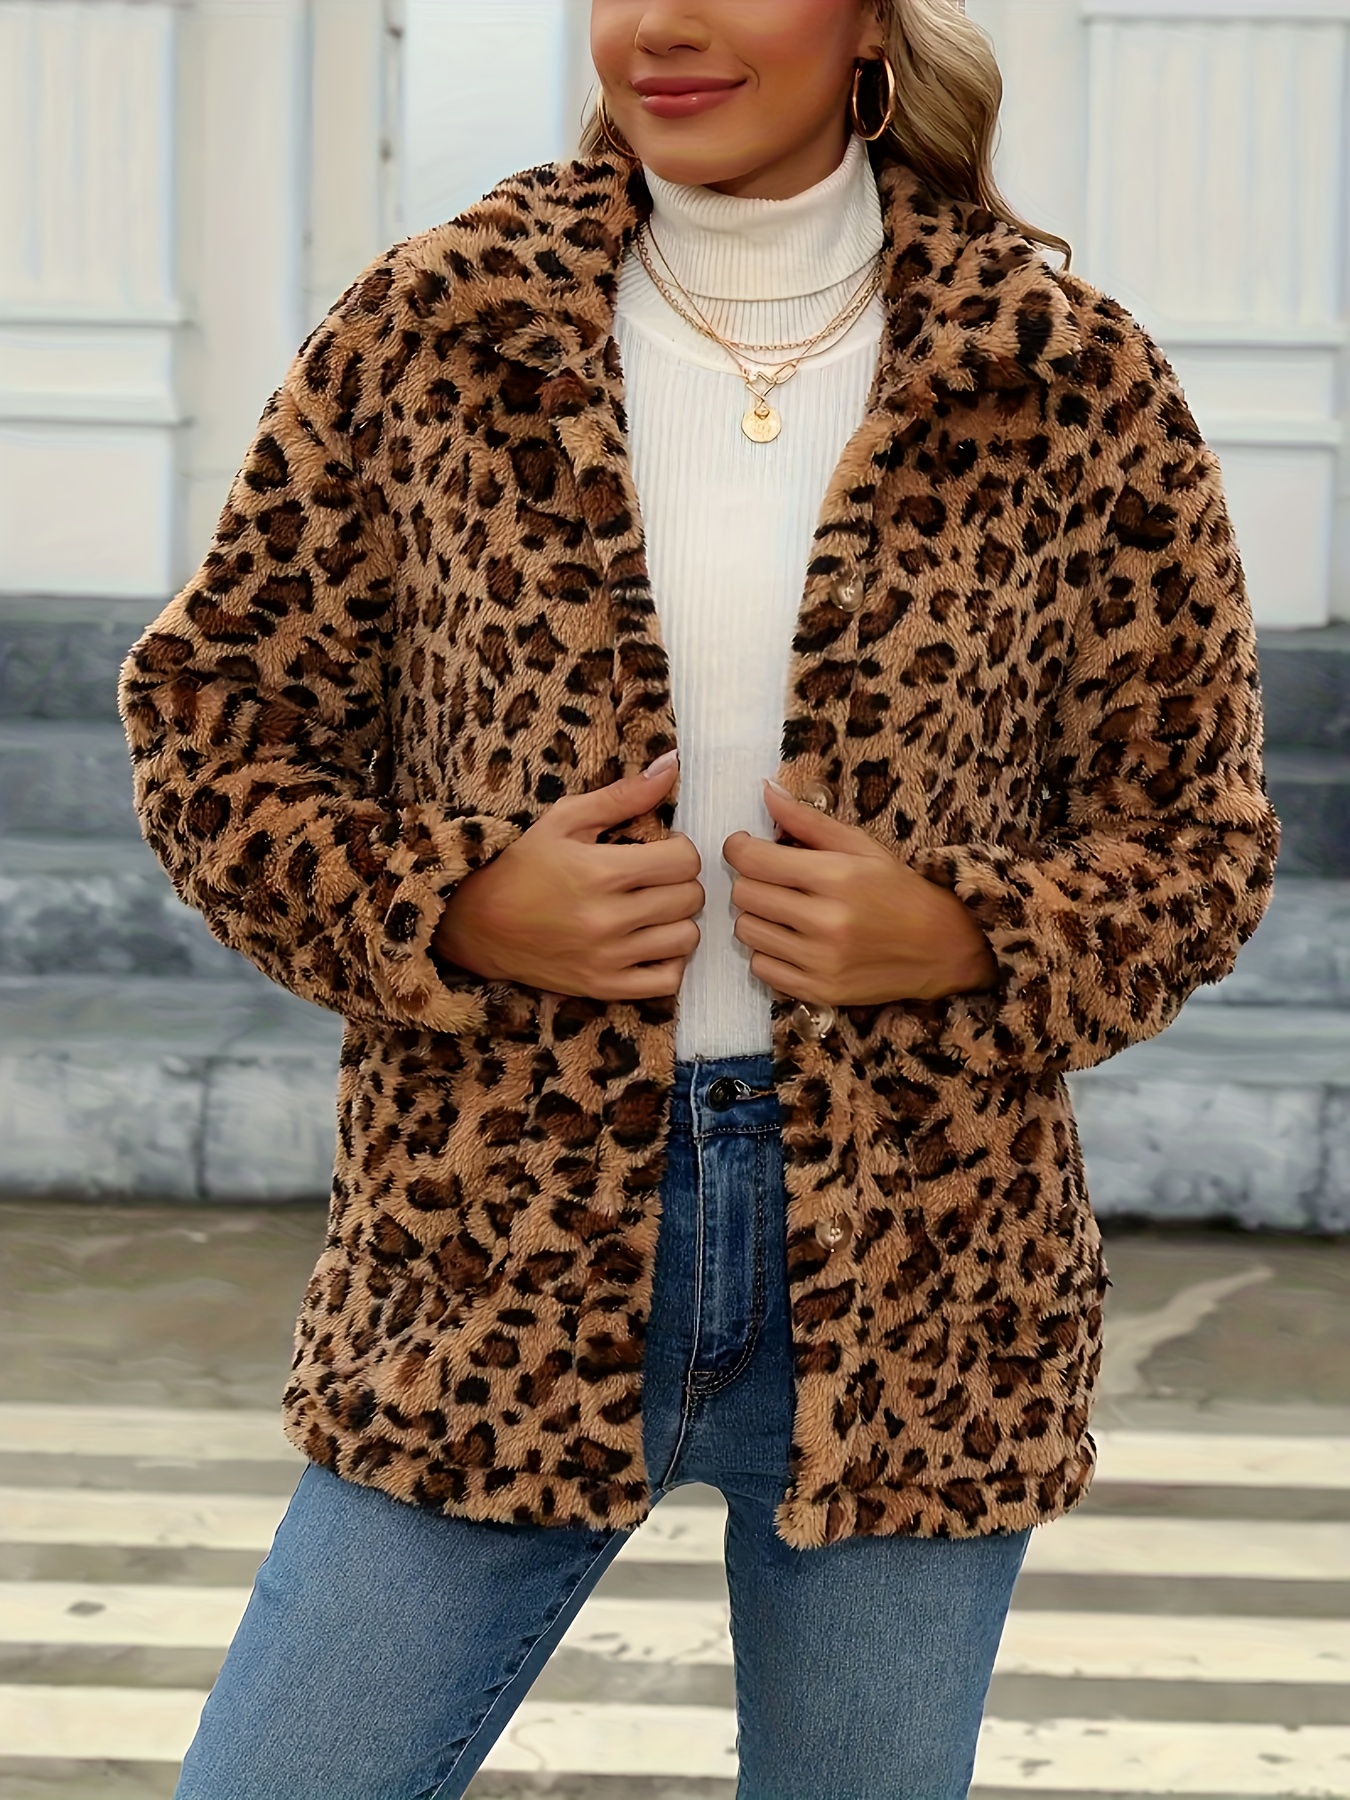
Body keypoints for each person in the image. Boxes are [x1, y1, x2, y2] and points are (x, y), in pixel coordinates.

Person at [118, 1, 1279, 1794]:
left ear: (868, 19)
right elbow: (210, 722)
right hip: (493, 1243)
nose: (659, 23)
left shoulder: (1060, 374)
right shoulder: (436, 329)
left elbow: (1198, 836)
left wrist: (974, 933)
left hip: (918, 1277)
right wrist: (450, 903)